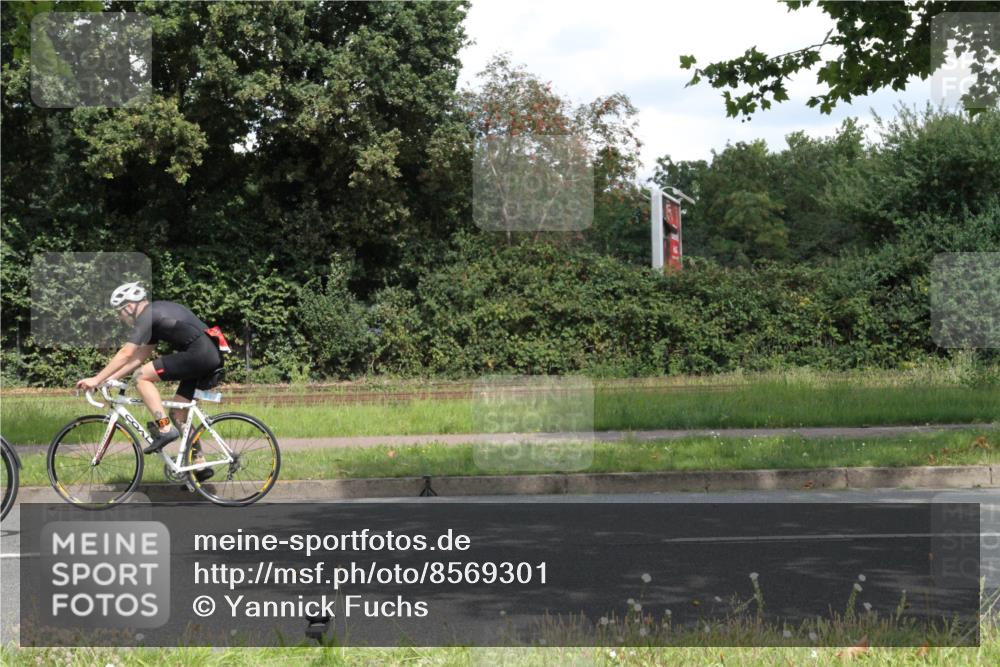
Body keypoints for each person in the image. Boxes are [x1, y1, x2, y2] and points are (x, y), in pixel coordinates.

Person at [75, 282, 229, 481]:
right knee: (179, 413)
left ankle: (164, 428)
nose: (120, 318)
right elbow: (139, 356)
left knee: (141, 376)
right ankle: (199, 462)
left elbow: (126, 353)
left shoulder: (147, 315)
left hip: (199, 354)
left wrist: (96, 379)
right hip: (208, 354)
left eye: (119, 313)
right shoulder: (155, 315)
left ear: (129, 307)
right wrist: (109, 379)